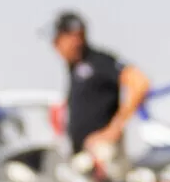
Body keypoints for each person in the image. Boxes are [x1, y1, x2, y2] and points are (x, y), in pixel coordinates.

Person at [50, 11, 147, 171]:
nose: (56, 47)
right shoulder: (75, 68)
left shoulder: (99, 61)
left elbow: (140, 82)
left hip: (101, 157)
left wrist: (113, 129)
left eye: (58, 40)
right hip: (81, 154)